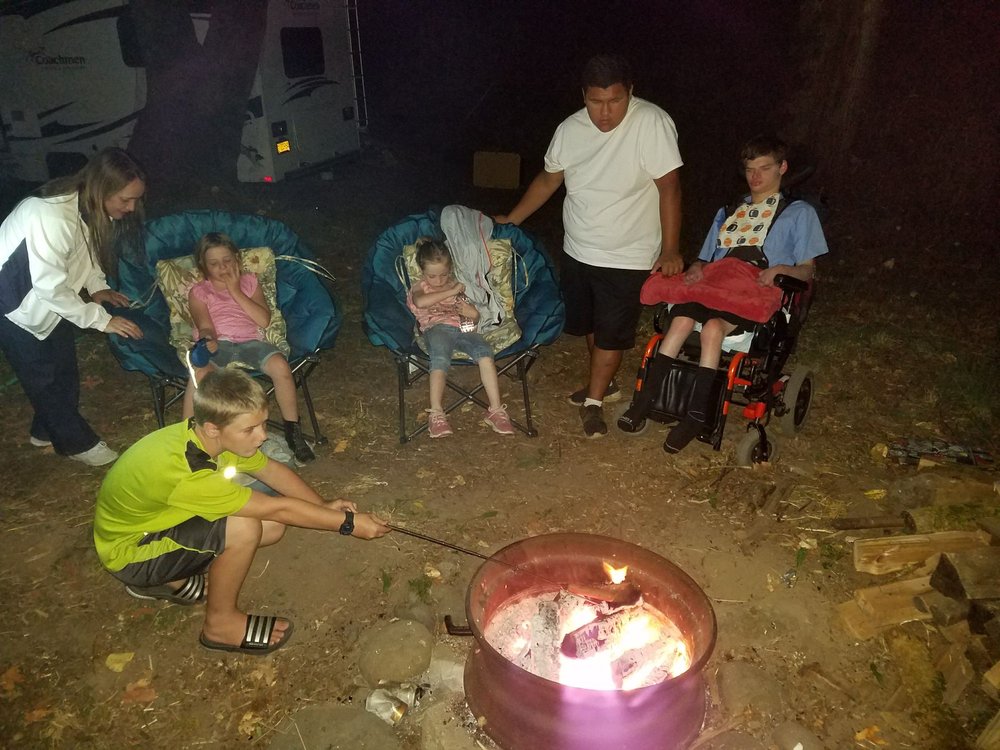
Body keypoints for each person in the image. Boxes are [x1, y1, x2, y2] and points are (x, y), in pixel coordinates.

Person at [93, 368, 391, 654]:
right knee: (244, 527)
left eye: (263, 424)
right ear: (213, 428)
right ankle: (219, 625)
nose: (262, 436)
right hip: (132, 554)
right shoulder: (189, 470)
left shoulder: (205, 436)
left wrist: (321, 506)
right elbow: (279, 507)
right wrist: (347, 523)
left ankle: (169, 579)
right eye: (250, 429)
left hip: (156, 525)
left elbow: (270, 470)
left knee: (269, 528)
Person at [496, 54, 683, 438]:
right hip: (579, 248)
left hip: (628, 253)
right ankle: (606, 383)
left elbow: (670, 187)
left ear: (630, 92)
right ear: (584, 95)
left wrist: (670, 249)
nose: (605, 112)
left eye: (615, 100)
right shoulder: (570, 129)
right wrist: (512, 219)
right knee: (591, 323)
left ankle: (594, 402)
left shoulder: (651, 122)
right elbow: (549, 180)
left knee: (611, 330)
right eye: (596, 101)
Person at [617, 134, 829, 452]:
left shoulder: (799, 213)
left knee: (713, 329)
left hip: (751, 288)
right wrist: (697, 268)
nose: (755, 176)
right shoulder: (730, 210)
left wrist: (781, 270)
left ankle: (695, 416)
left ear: (782, 168)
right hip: (715, 284)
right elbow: (706, 259)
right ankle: (644, 402)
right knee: (680, 321)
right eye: (750, 169)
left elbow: (807, 270)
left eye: (764, 168)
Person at [0, 147, 146, 466]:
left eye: (135, 200)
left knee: (64, 371)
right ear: (102, 188)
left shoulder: (87, 208)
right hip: (12, 305)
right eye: (126, 199)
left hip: (51, 301)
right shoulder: (50, 214)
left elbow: (84, 254)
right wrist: (101, 320)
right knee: (43, 378)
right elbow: (49, 287)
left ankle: (44, 431)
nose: (131, 207)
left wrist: (97, 287)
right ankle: (77, 443)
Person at [183, 232, 315, 463]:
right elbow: (205, 326)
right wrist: (208, 340)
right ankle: (189, 440)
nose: (222, 267)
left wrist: (235, 290)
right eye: (214, 263)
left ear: (237, 258)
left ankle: (293, 431)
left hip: (251, 342)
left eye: (227, 260)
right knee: (198, 375)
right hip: (220, 344)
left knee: (281, 366)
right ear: (203, 266)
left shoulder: (250, 283)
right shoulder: (199, 292)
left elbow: (263, 320)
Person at [406, 238, 515, 438]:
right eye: (432, 276)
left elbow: (473, 317)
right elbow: (420, 302)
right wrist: (450, 291)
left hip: (465, 330)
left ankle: (495, 410)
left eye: (443, 275)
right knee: (440, 358)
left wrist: (472, 313)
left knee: (485, 354)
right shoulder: (420, 287)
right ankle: (436, 414)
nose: (438, 280)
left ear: (450, 270)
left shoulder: (455, 285)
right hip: (436, 329)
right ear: (422, 272)